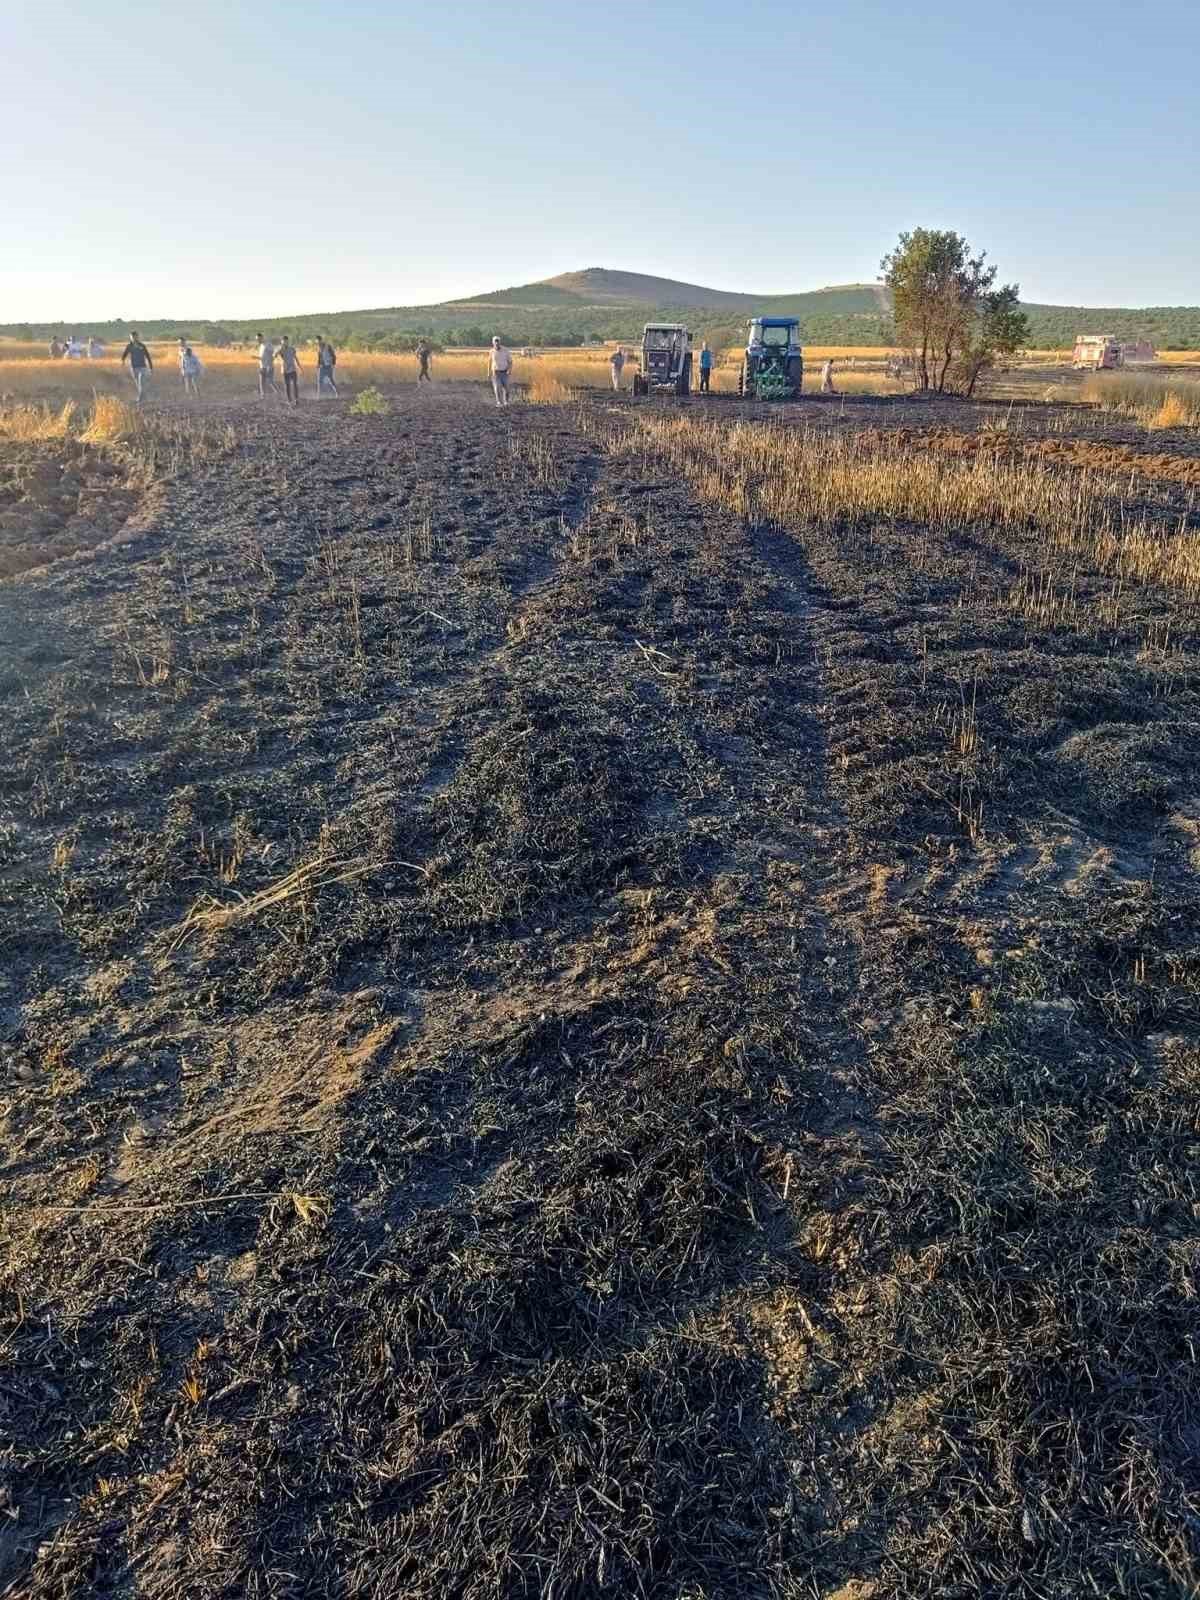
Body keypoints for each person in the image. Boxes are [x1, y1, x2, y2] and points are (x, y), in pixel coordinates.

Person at [121, 330, 153, 403]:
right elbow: (125, 354)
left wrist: (151, 366)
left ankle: (140, 398)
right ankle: (144, 397)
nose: (133, 338)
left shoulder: (142, 346)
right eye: (132, 337)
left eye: (134, 337)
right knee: (138, 384)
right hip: (134, 367)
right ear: (130, 338)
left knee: (141, 381)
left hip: (142, 367)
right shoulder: (129, 346)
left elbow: (147, 356)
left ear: (137, 337)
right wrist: (123, 361)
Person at [277, 335, 302, 405]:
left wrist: (299, 367)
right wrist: (279, 353)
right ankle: (289, 400)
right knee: (287, 386)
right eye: (284, 341)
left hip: (292, 369)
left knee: (295, 385)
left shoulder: (292, 349)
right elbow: (275, 355)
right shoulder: (280, 350)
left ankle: (296, 400)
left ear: (288, 341)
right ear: (282, 342)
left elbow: (296, 358)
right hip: (285, 370)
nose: (285, 343)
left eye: (286, 341)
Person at [488, 336, 512, 407]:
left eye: (498, 341)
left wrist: (509, 370)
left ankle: (506, 402)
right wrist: (488, 372)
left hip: (505, 372)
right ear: (493, 343)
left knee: (507, 388)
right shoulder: (491, 351)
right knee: (497, 388)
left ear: (500, 342)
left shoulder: (506, 350)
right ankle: (499, 402)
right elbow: (489, 362)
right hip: (495, 372)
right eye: (495, 341)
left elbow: (510, 362)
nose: (496, 343)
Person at [256, 332, 279, 399]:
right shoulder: (261, 346)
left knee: (270, 381)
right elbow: (263, 357)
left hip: (268, 367)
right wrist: (256, 357)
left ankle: (278, 393)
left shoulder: (268, 344)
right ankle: (263, 396)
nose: (258, 341)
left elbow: (274, 352)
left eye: (258, 339)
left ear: (262, 338)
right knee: (261, 382)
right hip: (262, 367)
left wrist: (273, 359)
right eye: (257, 339)